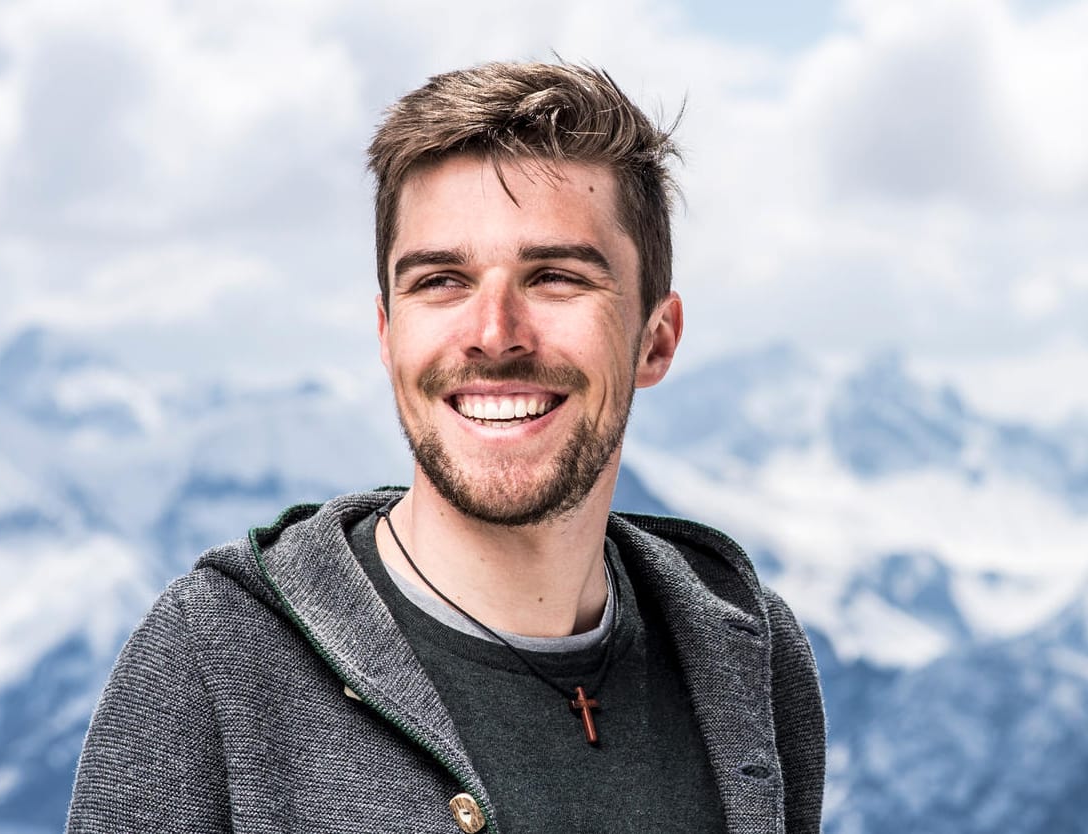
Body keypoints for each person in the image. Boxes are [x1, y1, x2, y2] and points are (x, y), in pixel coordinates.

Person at [66, 60, 825, 834]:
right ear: (387, 334)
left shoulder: (744, 654)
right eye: (440, 281)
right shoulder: (214, 662)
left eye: (555, 277)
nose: (494, 335)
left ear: (654, 341)